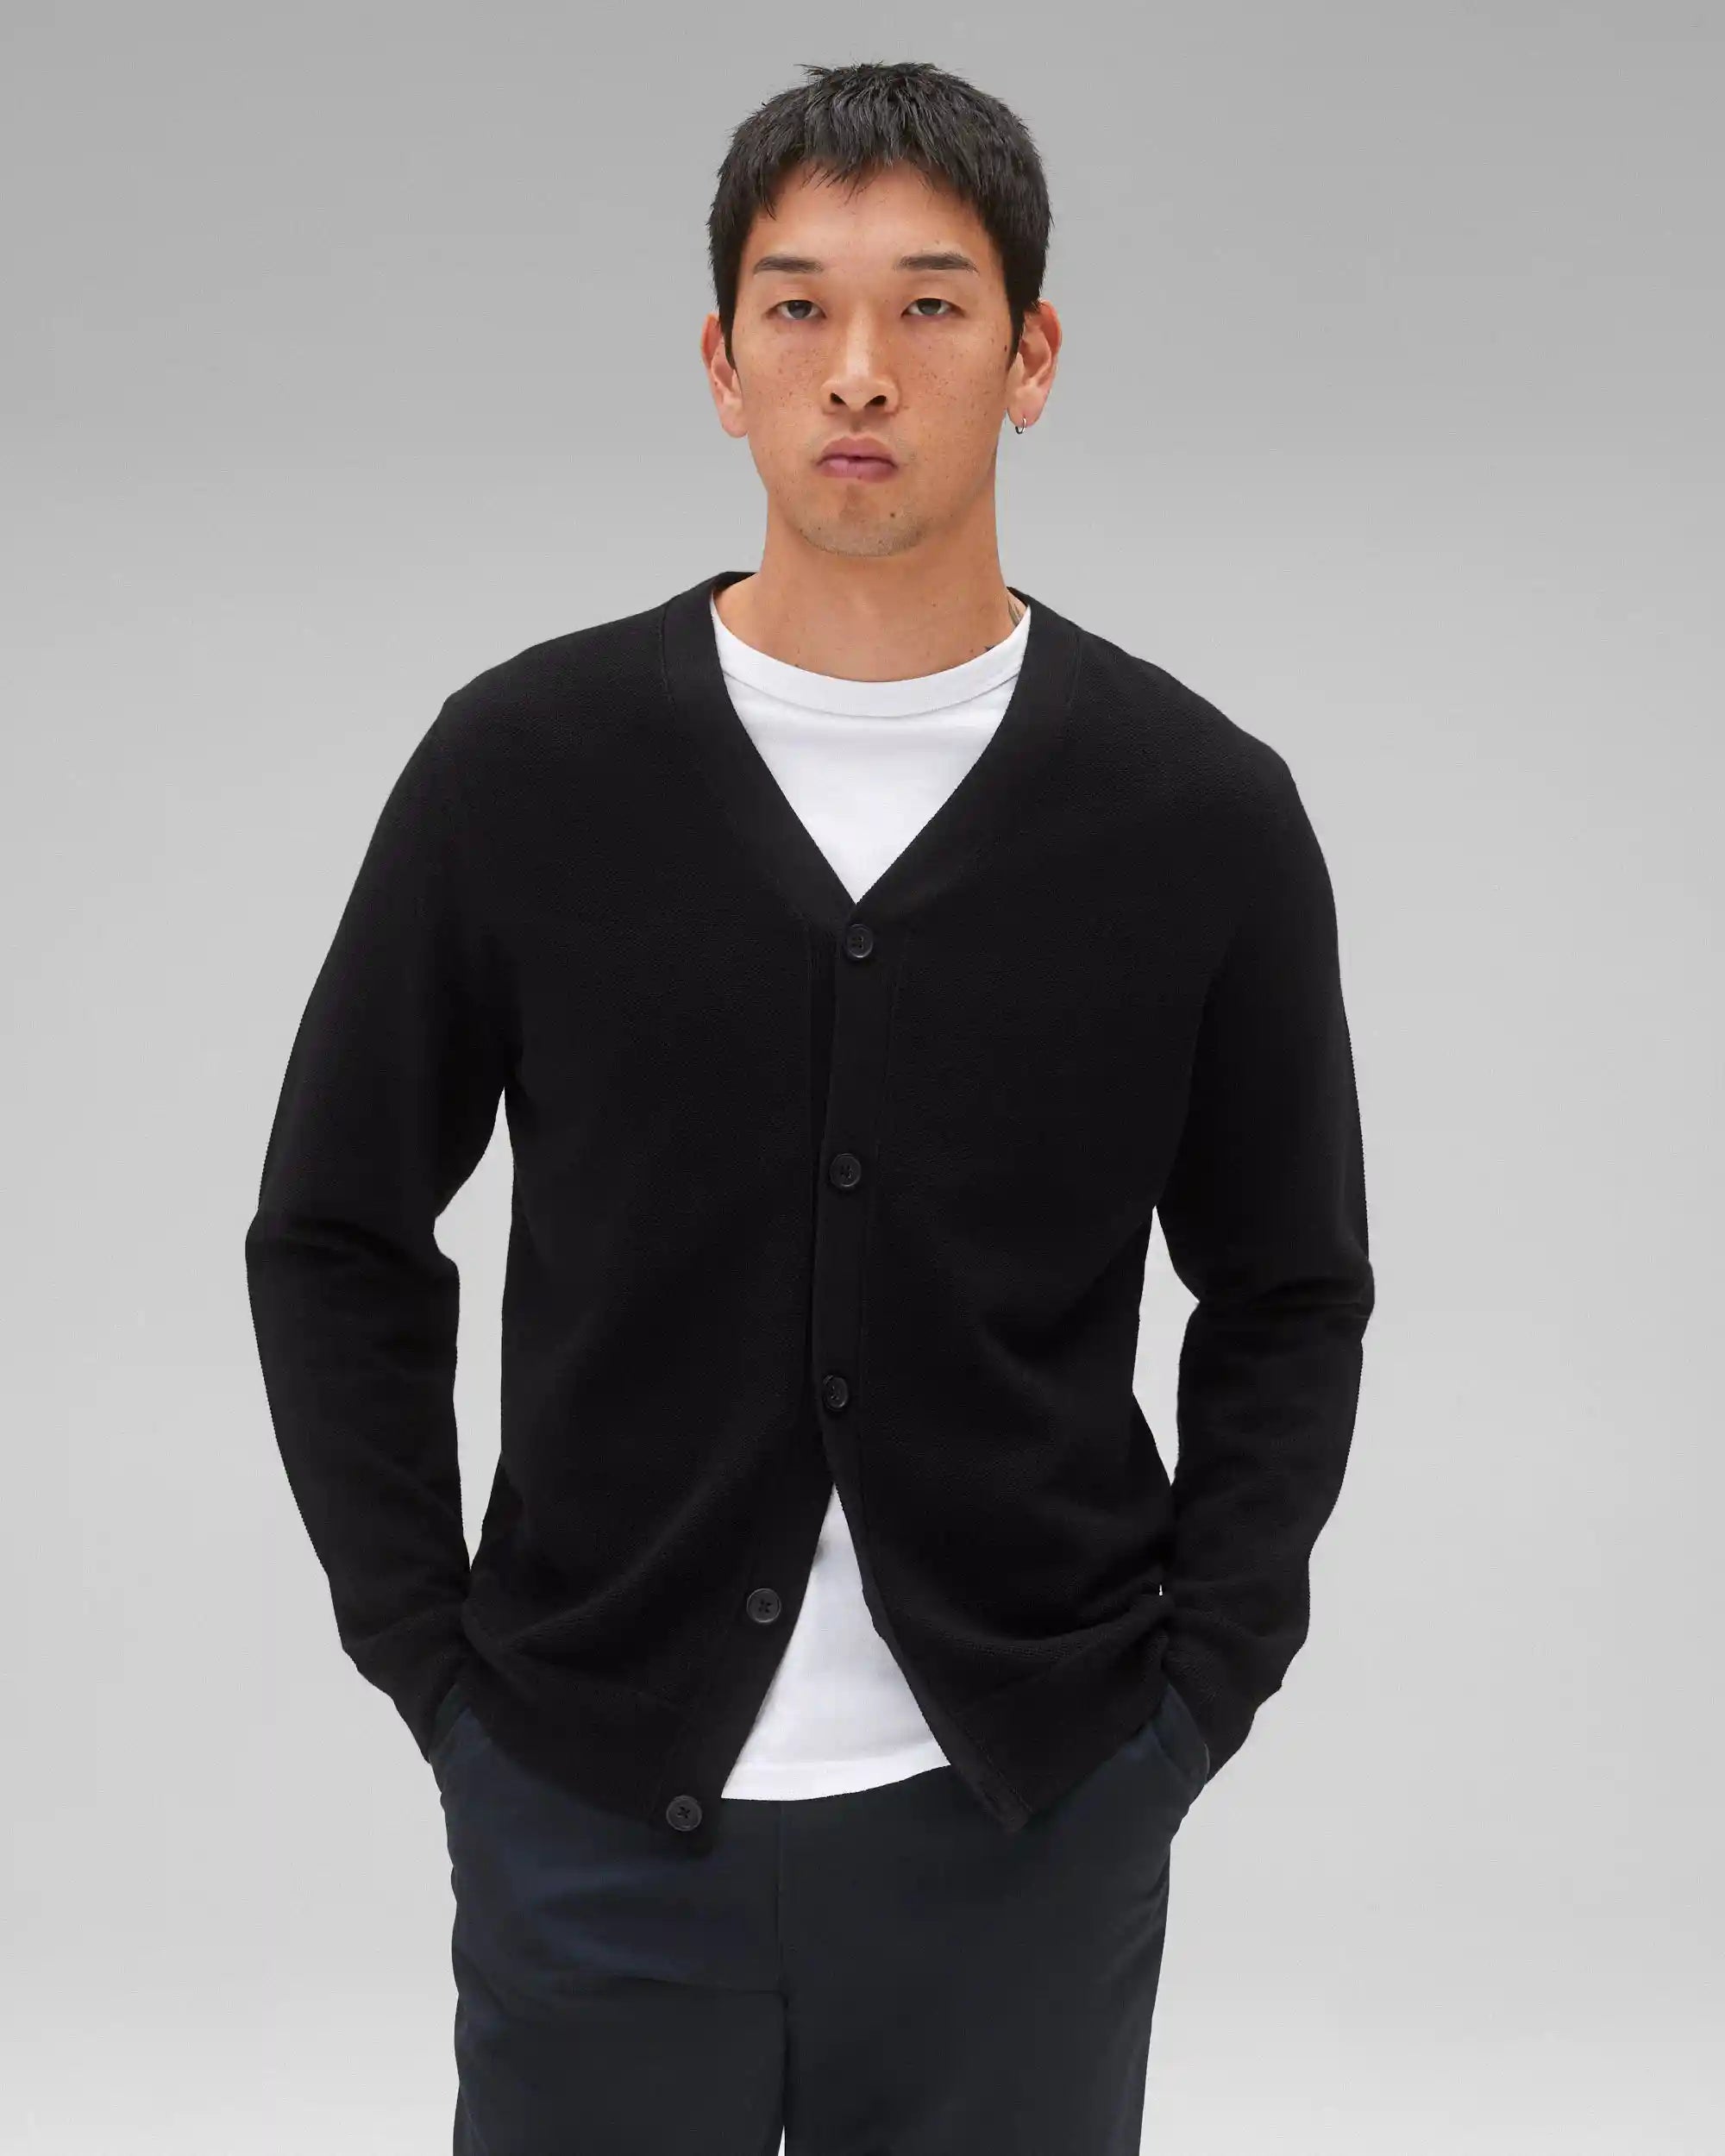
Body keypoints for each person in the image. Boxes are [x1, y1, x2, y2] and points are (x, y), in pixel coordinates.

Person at [244, 58, 1375, 2156]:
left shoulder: (1198, 815)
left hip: (1022, 1824)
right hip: (588, 1816)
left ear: (1030, 358)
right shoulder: (523, 771)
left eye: (931, 304)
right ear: (722, 364)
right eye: (799, 306)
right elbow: (332, 1231)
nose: (860, 367)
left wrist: (1189, 1699)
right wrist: (438, 1676)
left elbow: (1289, 1288)